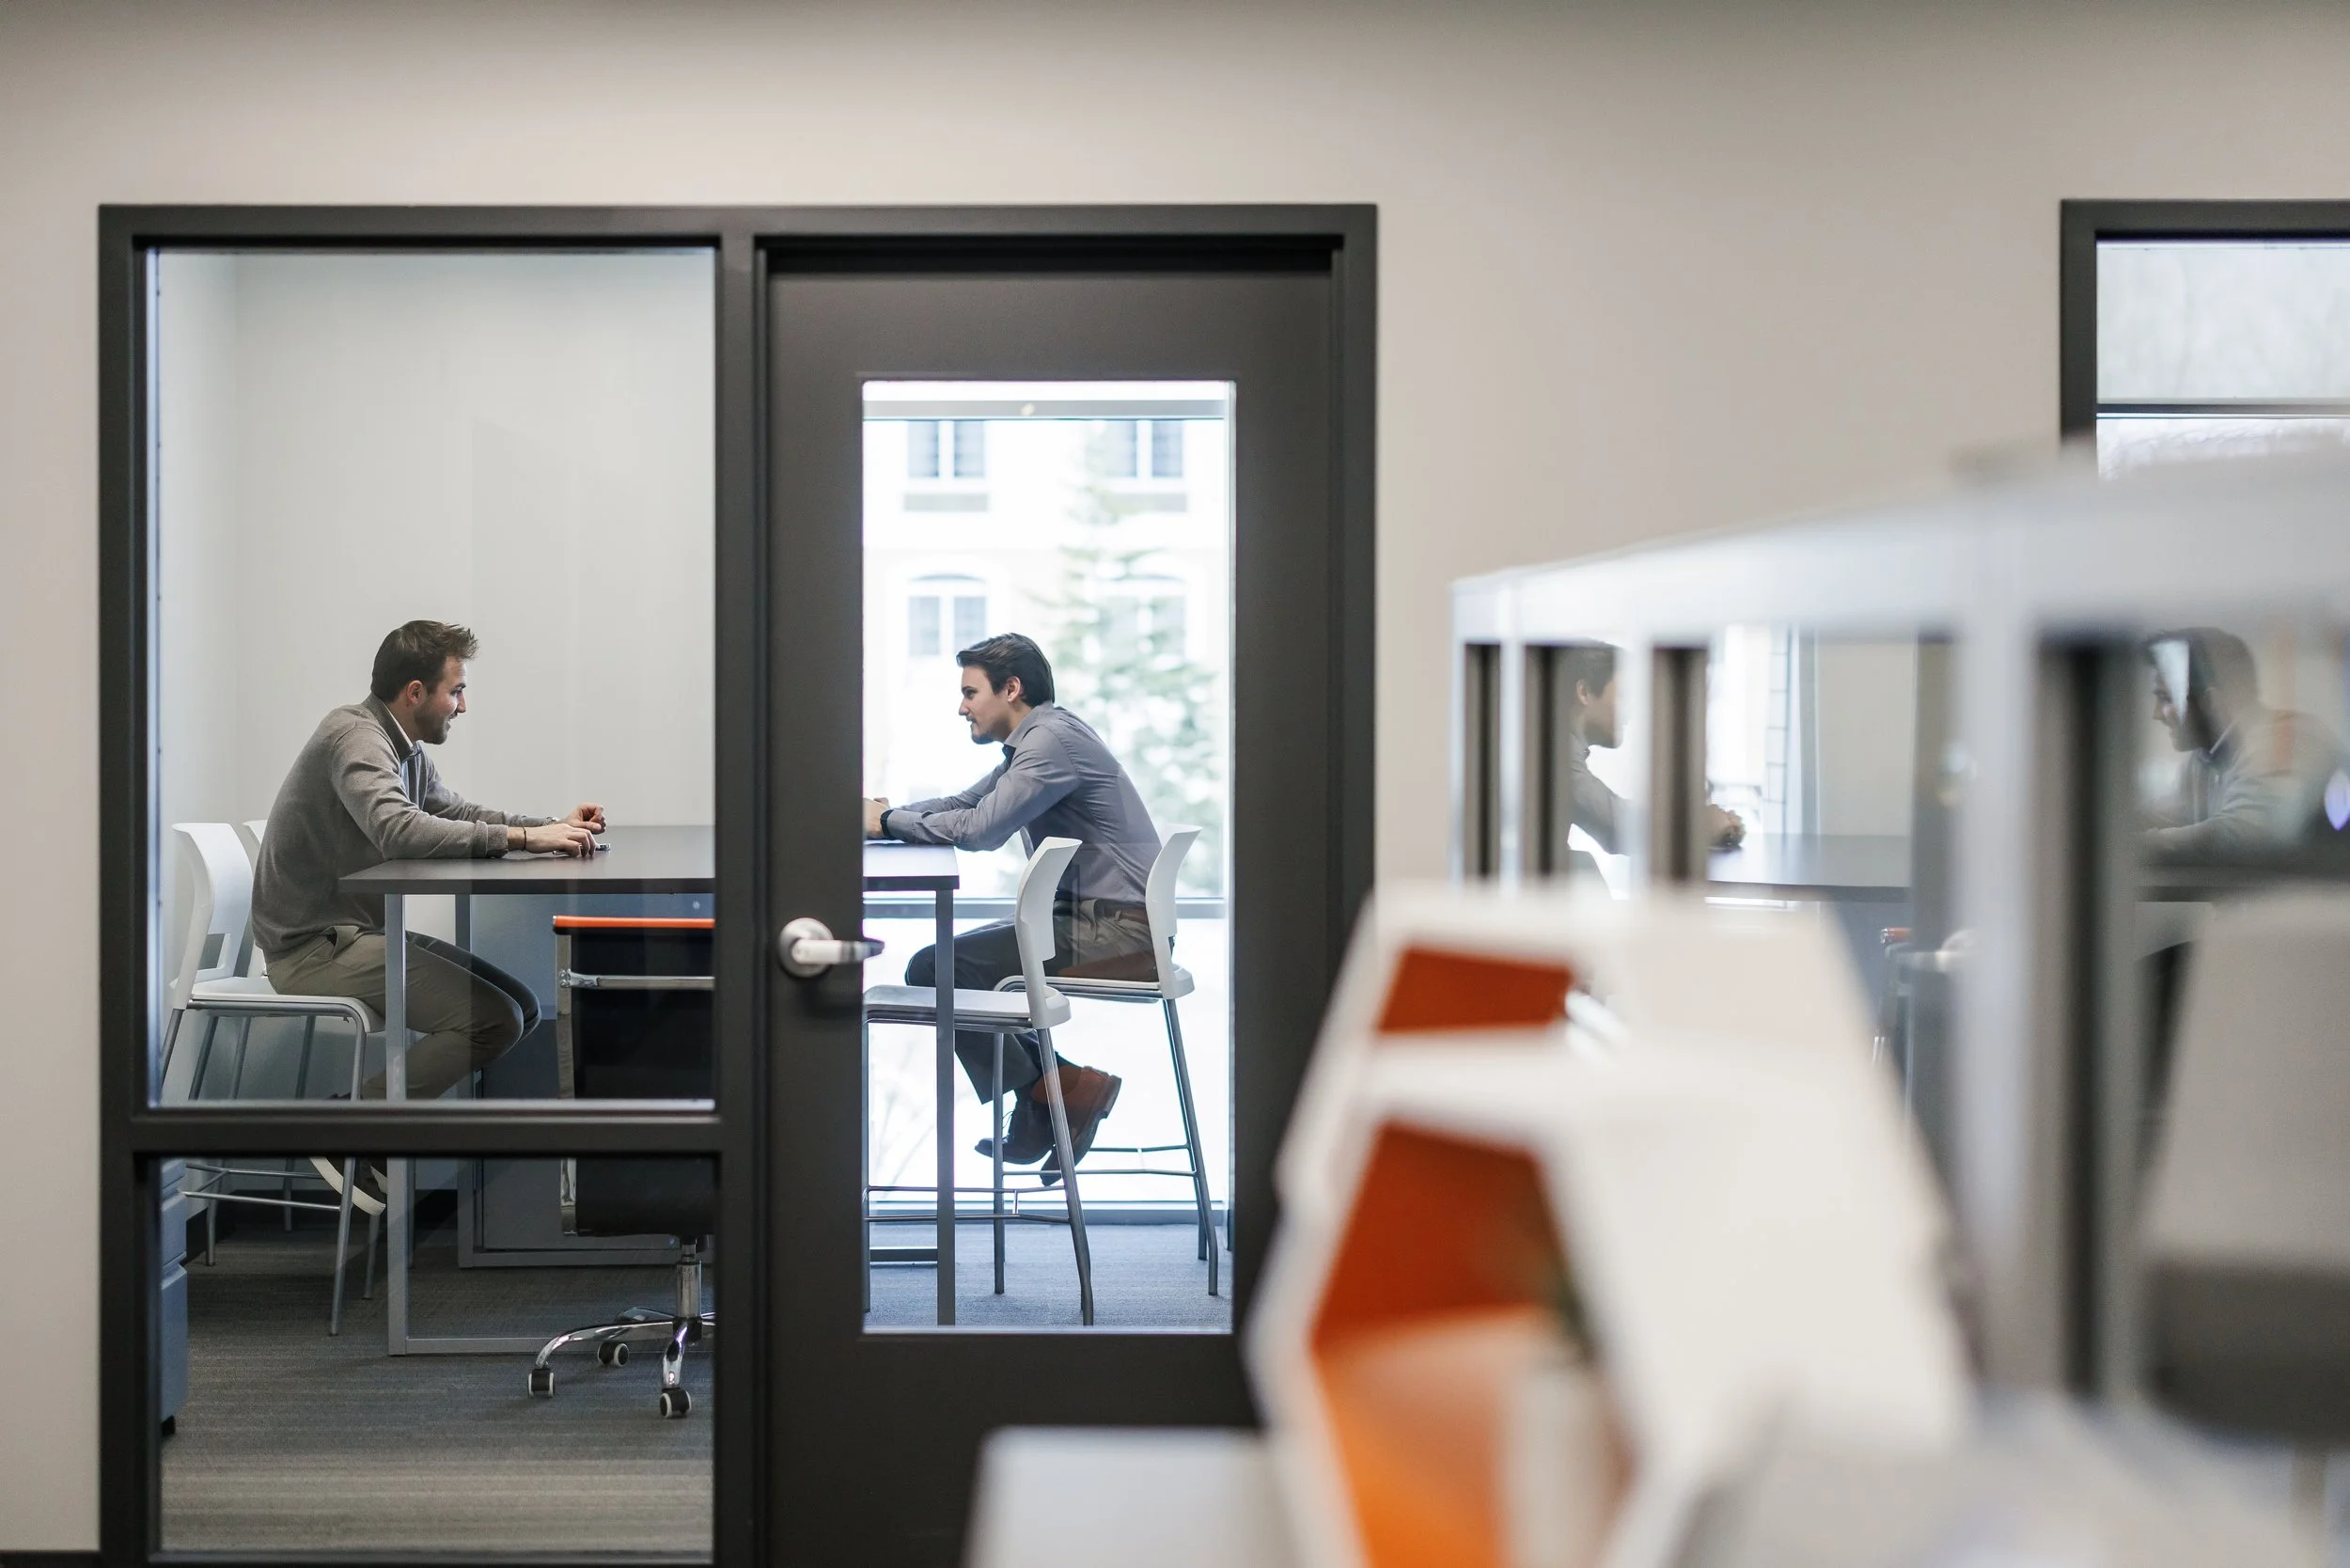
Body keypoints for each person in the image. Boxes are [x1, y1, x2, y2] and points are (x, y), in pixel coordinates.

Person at [251, 620, 604, 1211]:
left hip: (354, 935)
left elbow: (453, 809)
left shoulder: (401, 746)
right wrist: (522, 838)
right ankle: (345, 1126)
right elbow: (398, 828)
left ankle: (359, 1128)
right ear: (415, 693)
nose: (462, 705)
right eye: (456, 690)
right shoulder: (356, 737)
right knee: (491, 1019)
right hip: (313, 950)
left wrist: (548, 827)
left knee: (519, 1006)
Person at [866, 633, 1152, 1180]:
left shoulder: (1048, 744)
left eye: (971, 692)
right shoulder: (1043, 736)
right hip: (1098, 923)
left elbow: (980, 830)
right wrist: (889, 814)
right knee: (939, 967)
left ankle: (1053, 1090)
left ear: (1011, 688)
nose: (961, 706)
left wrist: (883, 823)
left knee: (937, 968)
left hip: (1120, 936)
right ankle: (1059, 1087)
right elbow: (965, 804)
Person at [2144, 627, 2342, 855]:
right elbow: (2170, 812)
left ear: (2210, 702)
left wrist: (2136, 842)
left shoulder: (2280, 742)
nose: (2157, 714)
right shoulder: (2205, 758)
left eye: (2165, 698)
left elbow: (2241, 834)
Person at [1557, 644, 1744, 855]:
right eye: (1624, 695)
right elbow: (1619, 828)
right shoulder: (1556, 758)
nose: (1630, 711)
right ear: (1584, 692)